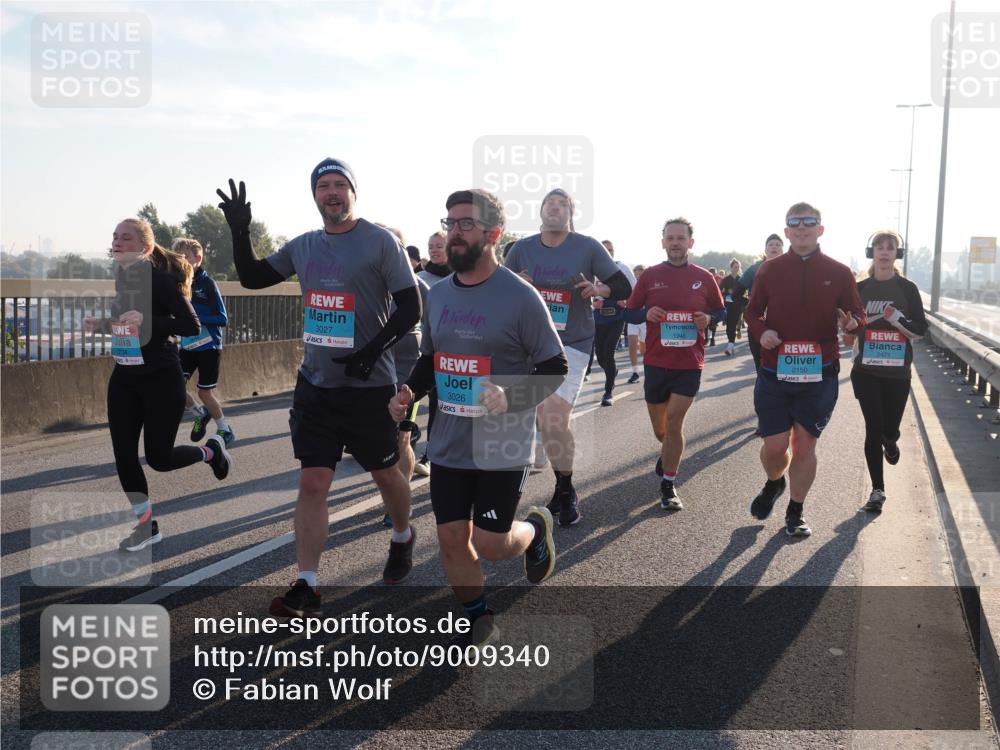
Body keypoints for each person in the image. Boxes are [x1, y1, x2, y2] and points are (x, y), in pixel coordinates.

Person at [216, 159, 420, 617]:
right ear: (314, 195)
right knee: (312, 481)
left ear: (353, 193)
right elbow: (253, 278)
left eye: (340, 184)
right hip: (316, 385)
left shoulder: (380, 241)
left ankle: (403, 534)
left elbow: (411, 309)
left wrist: (371, 351)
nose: (332, 192)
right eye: (323, 185)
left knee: (387, 474)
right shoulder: (304, 245)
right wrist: (239, 231)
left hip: (369, 386)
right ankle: (307, 583)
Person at [389, 189, 567, 646]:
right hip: (449, 442)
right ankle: (478, 615)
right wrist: (408, 393)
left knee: (490, 543)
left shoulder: (520, 297)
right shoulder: (438, 295)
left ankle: (535, 529)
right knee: (451, 537)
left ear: (493, 234)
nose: (455, 232)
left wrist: (511, 397)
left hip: (501, 443)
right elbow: (431, 359)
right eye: (450, 223)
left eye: (466, 224)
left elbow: (555, 367)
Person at [83, 219, 232, 553]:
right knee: (124, 456)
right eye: (115, 237)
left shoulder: (160, 281)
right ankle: (146, 526)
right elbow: (127, 326)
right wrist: (101, 325)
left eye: (126, 238)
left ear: (145, 248)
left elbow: (191, 324)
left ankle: (211, 452)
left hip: (161, 378)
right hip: (125, 376)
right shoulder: (122, 277)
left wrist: (149, 321)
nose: (117, 242)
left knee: (159, 458)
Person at [503, 188, 632, 526]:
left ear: (570, 214)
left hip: (571, 343)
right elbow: (495, 288)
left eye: (563, 204)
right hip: (527, 344)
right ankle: (561, 485)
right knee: (539, 419)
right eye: (550, 202)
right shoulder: (521, 249)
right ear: (541, 210)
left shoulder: (587, 247)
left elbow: (623, 287)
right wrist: (513, 282)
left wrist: (598, 289)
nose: (555, 208)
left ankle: (565, 488)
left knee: (553, 417)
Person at [744, 203, 866, 537]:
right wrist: (762, 332)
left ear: (820, 229)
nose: (801, 228)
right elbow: (751, 312)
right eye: (794, 223)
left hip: (819, 373)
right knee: (774, 448)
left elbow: (858, 314)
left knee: (805, 445)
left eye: (809, 222)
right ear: (786, 232)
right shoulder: (769, 270)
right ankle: (774, 483)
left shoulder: (839, 271)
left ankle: (795, 511)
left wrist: (852, 323)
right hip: (774, 372)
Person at [623, 218, 725, 510]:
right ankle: (667, 452)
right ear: (663, 243)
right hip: (656, 360)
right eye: (671, 238)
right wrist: (646, 313)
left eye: (681, 238)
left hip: (689, 362)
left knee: (674, 422)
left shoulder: (704, 277)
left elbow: (721, 311)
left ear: (691, 243)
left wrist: (709, 319)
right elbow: (629, 313)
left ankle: (668, 484)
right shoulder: (650, 275)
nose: (676, 243)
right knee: (661, 430)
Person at [842, 231, 927, 512]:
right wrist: (847, 328)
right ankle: (877, 491)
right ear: (872, 253)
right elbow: (848, 332)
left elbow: (921, 331)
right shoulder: (860, 289)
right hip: (866, 371)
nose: (885, 252)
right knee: (873, 427)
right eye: (880, 247)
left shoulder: (907, 289)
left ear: (897, 255)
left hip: (897, 374)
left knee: (888, 430)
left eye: (891, 247)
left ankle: (891, 442)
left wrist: (898, 319)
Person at [171, 238, 235, 447]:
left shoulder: (208, 284)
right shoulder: (178, 284)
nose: (181, 261)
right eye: (177, 257)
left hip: (209, 346)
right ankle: (200, 414)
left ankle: (225, 429)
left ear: (197, 259)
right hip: (187, 346)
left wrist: (196, 318)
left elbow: (222, 318)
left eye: (185, 257)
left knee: (204, 392)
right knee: (174, 385)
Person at [412, 230, 451, 477]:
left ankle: (433, 455)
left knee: (441, 404)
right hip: (423, 350)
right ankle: (418, 450)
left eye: (439, 245)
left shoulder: (462, 277)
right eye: (431, 246)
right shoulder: (419, 278)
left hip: (450, 351)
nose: (434, 250)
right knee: (417, 401)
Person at [590, 240, 637, 407]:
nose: (608, 252)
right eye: (604, 250)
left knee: (608, 353)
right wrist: (593, 302)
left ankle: (608, 392)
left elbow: (634, 290)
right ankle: (613, 371)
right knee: (600, 355)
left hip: (617, 317)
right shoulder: (593, 268)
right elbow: (587, 291)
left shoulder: (622, 268)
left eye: (610, 250)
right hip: (599, 317)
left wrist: (626, 301)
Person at [738, 234, 785, 372]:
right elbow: (736, 294)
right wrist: (752, 305)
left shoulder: (791, 268)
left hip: (784, 325)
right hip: (759, 324)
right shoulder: (755, 269)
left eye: (778, 244)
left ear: (783, 249)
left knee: (783, 369)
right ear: (765, 249)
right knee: (762, 368)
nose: (774, 247)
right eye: (771, 244)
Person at [719, 259, 746, 357]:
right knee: (729, 326)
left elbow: (745, 292)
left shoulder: (741, 279)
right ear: (731, 268)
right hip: (728, 305)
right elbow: (719, 291)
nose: (737, 269)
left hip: (737, 305)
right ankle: (732, 340)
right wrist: (727, 293)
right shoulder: (726, 279)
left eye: (738, 267)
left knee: (732, 324)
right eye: (735, 267)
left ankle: (730, 346)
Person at [625, 264, 647, 383]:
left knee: (643, 349)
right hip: (632, 319)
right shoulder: (630, 285)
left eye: (640, 273)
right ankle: (635, 372)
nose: (638, 275)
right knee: (632, 344)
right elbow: (625, 298)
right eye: (636, 273)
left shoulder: (649, 285)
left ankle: (648, 367)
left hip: (645, 320)